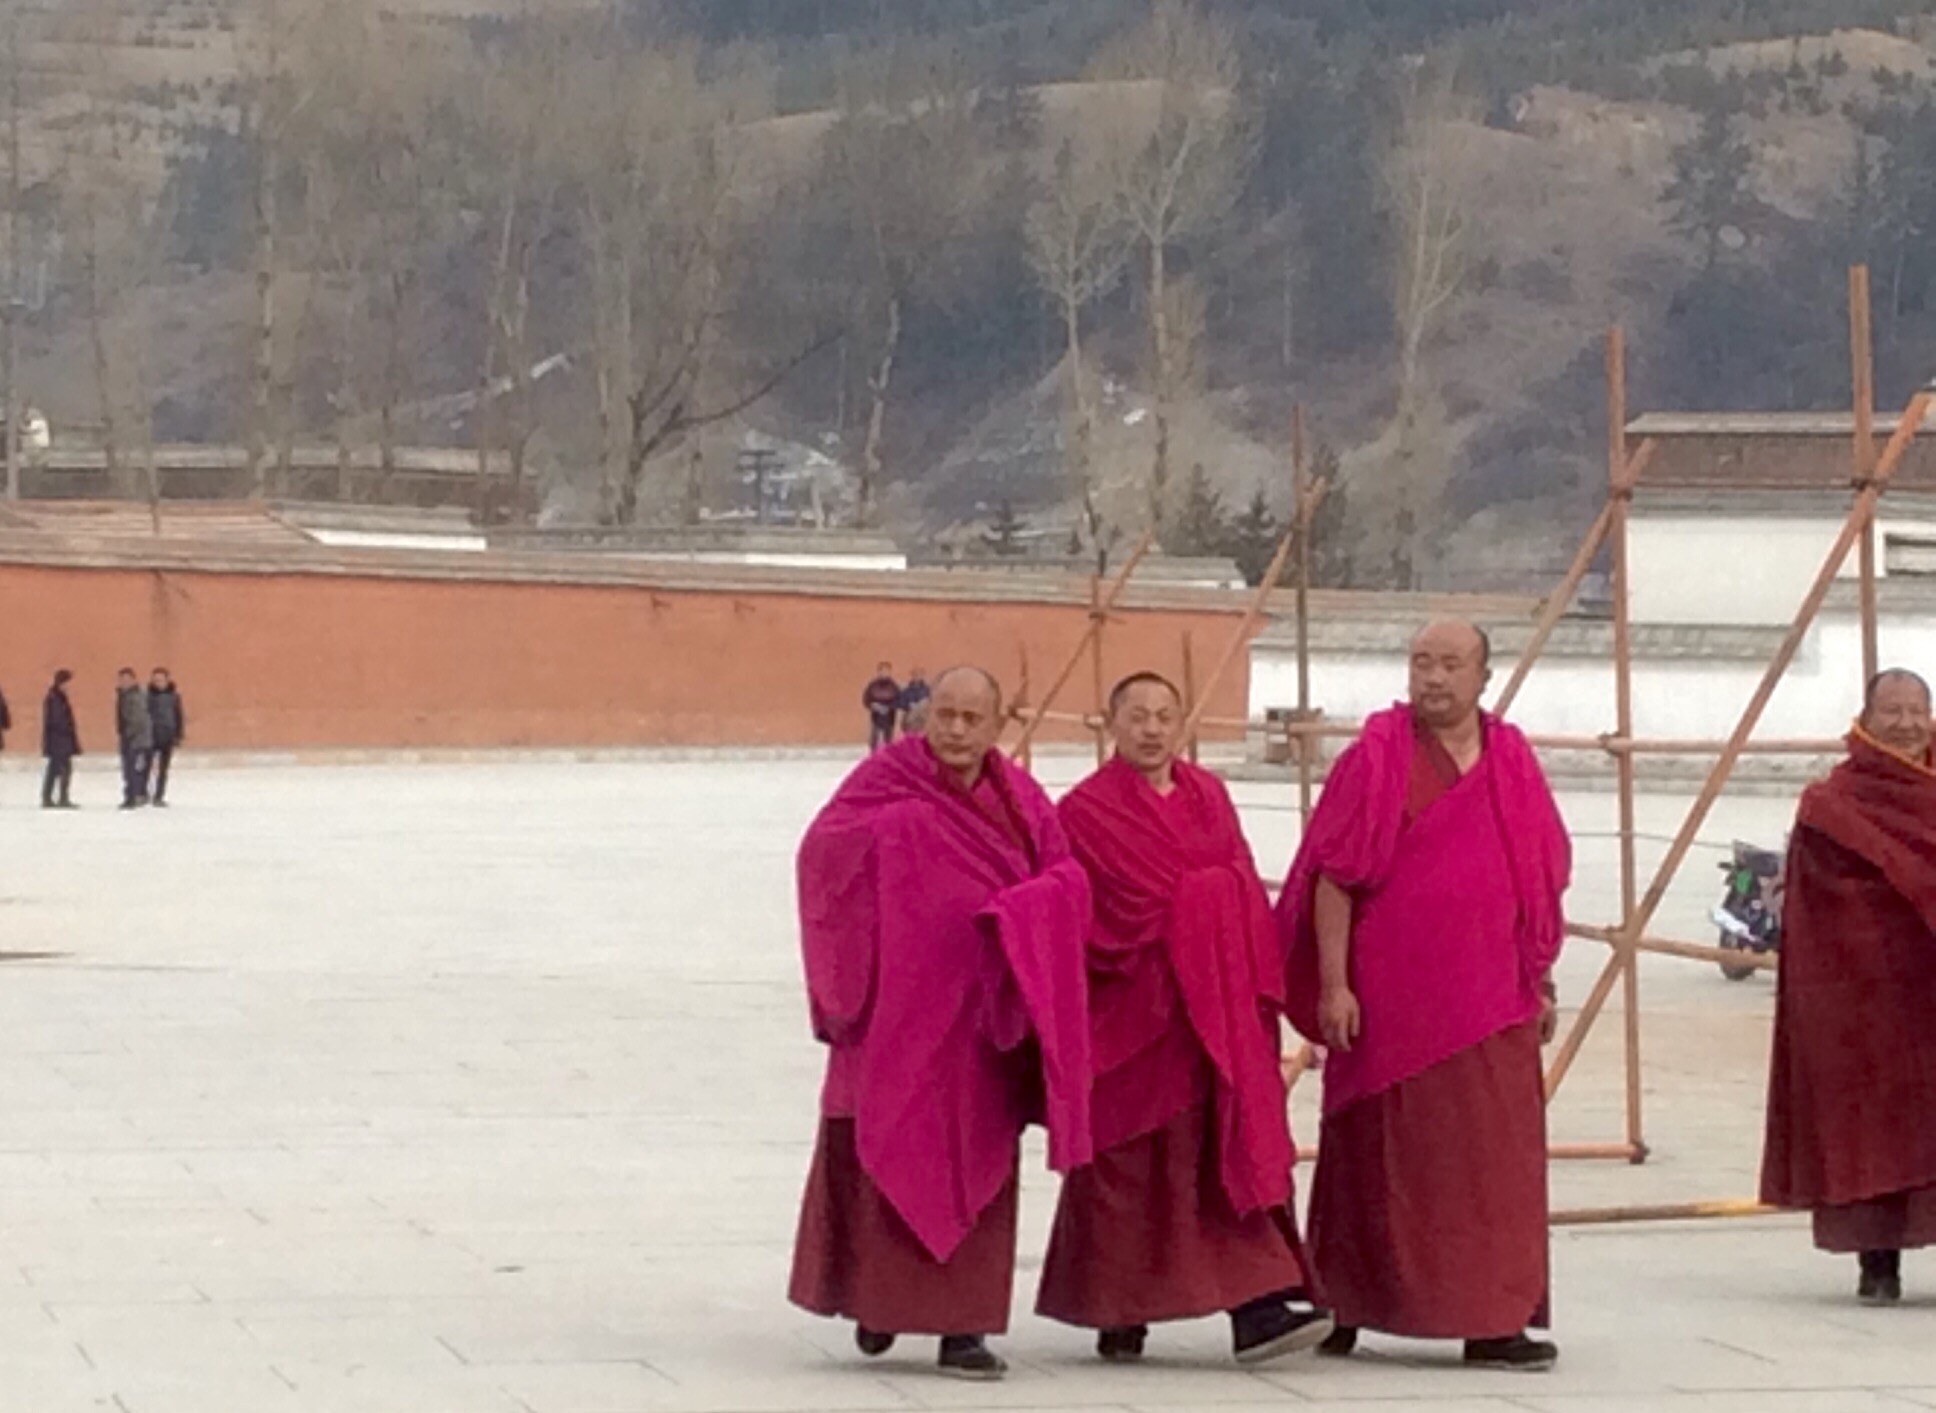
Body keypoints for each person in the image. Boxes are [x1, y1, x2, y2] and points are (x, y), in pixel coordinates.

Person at [1276, 621, 1571, 1371]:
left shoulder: (1513, 761)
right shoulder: (1375, 757)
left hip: (1494, 999)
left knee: (1493, 1167)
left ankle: (1491, 1318)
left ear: (1483, 677)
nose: (1433, 677)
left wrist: (1539, 979)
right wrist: (1335, 984)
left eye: (1450, 664)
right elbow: (1333, 876)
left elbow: (1538, 877)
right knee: (1378, 1158)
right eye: (1421, 662)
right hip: (1390, 1000)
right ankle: (1347, 1300)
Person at [790, 666, 1094, 1380]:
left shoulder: (1021, 798)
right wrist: (900, 836)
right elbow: (821, 854)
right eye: (945, 715)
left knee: (976, 1160)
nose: (955, 730)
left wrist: (1024, 911)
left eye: (971, 718)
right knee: (886, 1139)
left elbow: (1067, 877)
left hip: (979, 1016)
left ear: (998, 726)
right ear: (925, 718)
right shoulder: (888, 780)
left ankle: (964, 1329)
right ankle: (879, 1302)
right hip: (893, 1011)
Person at [1039, 672, 1333, 1364]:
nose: (1151, 729)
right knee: (1132, 1163)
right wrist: (1198, 905)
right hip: (1138, 1013)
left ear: (1181, 725)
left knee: (1220, 1148)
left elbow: (1243, 880)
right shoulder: (1084, 812)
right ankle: (1119, 1306)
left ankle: (1257, 1304)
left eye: (1164, 716)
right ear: (1111, 723)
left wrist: (1226, 941)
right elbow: (1082, 916)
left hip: (1220, 1012)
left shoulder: (1210, 795)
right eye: (1137, 715)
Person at [1762, 668, 1936, 1305]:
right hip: (1869, 994)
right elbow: (1822, 906)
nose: (1906, 724)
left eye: (1917, 711)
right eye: (1892, 711)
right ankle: (1877, 1263)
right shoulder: (1832, 805)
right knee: (1873, 1130)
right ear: (1865, 719)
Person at [115, 668, 154, 810]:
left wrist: (130, 734)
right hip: (128, 736)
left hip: (136, 739)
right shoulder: (123, 695)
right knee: (129, 769)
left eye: (127, 679)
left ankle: (132, 796)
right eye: (122, 679)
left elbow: (139, 719)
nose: (124, 682)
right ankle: (136, 794)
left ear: (133, 680)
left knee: (132, 769)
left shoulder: (136, 696)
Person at [146, 668, 185, 807]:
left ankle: (159, 796)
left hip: (167, 737)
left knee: (163, 770)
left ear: (167, 681)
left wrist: (178, 735)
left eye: (161, 680)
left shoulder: (174, 696)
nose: (158, 683)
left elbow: (178, 716)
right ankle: (145, 793)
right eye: (155, 680)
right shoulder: (147, 696)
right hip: (150, 736)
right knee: (146, 768)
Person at [40, 670, 78, 810]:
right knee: (60, 770)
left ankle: (51, 797)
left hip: (60, 740)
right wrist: (67, 729)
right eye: (67, 683)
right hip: (59, 740)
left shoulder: (58, 697)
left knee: (56, 769)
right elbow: (56, 720)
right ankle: (57, 797)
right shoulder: (55, 698)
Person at [862, 663, 902, 752]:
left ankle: (888, 754)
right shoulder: (872, 685)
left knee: (888, 738)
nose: (884, 673)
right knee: (874, 737)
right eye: (882, 671)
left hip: (889, 716)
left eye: (886, 671)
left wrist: (889, 707)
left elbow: (899, 700)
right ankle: (874, 754)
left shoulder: (894, 686)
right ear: (878, 672)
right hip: (875, 716)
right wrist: (873, 705)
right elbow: (866, 699)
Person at [899, 668, 932, 735]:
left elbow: (933, 702)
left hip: (923, 720)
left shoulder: (928, 690)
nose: (917, 677)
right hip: (910, 720)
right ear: (912, 676)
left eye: (919, 675)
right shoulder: (906, 690)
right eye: (915, 675)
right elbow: (901, 703)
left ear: (922, 676)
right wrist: (908, 705)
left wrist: (925, 703)